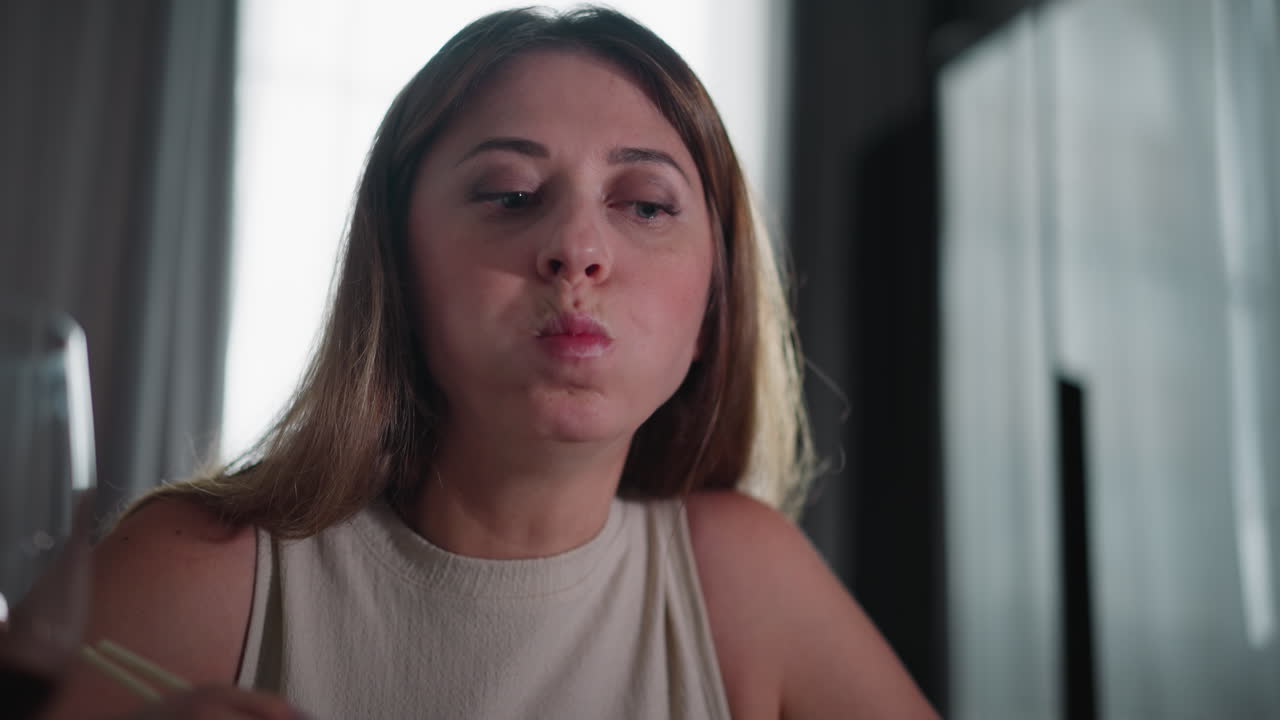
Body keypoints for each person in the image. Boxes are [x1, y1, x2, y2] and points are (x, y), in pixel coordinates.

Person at [35, 6, 938, 719]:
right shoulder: (197, 573)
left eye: (648, 205)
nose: (578, 248)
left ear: (715, 306)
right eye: (510, 193)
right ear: (397, 266)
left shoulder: (745, 582)